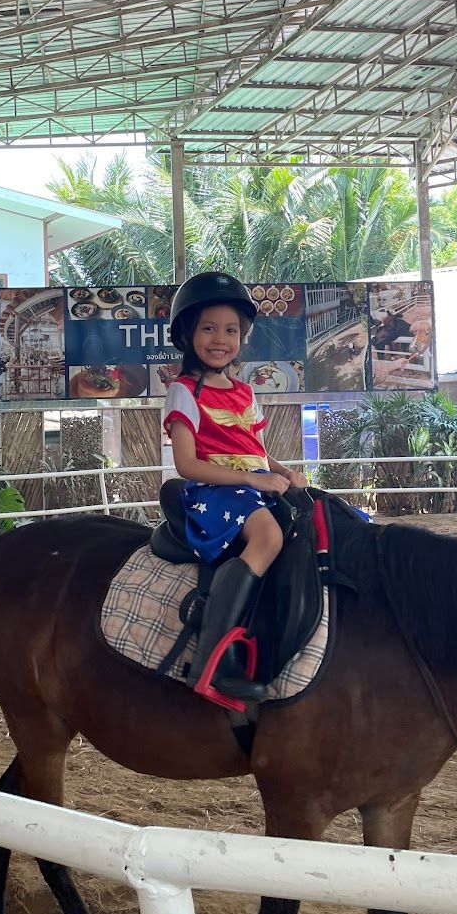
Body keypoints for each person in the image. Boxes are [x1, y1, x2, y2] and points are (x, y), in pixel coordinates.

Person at [163, 272, 307, 703]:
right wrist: (250, 478)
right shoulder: (183, 391)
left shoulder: (245, 391)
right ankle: (214, 660)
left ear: (242, 337)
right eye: (208, 328)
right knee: (268, 535)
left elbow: (257, 452)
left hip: (252, 485)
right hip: (214, 491)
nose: (220, 339)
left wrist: (288, 472)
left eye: (231, 330)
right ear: (188, 335)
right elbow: (187, 464)